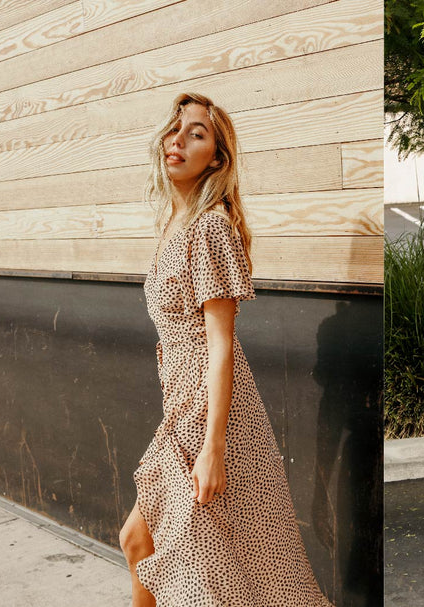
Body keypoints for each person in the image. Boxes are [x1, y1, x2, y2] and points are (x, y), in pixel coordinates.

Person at [117, 92, 333, 606]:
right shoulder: (176, 220)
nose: (178, 140)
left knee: (149, 542)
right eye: (175, 129)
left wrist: (213, 448)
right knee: (182, 552)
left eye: (196, 133)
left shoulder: (210, 225)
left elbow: (222, 344)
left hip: (209, 412)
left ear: (216, 157)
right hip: (182, 401)